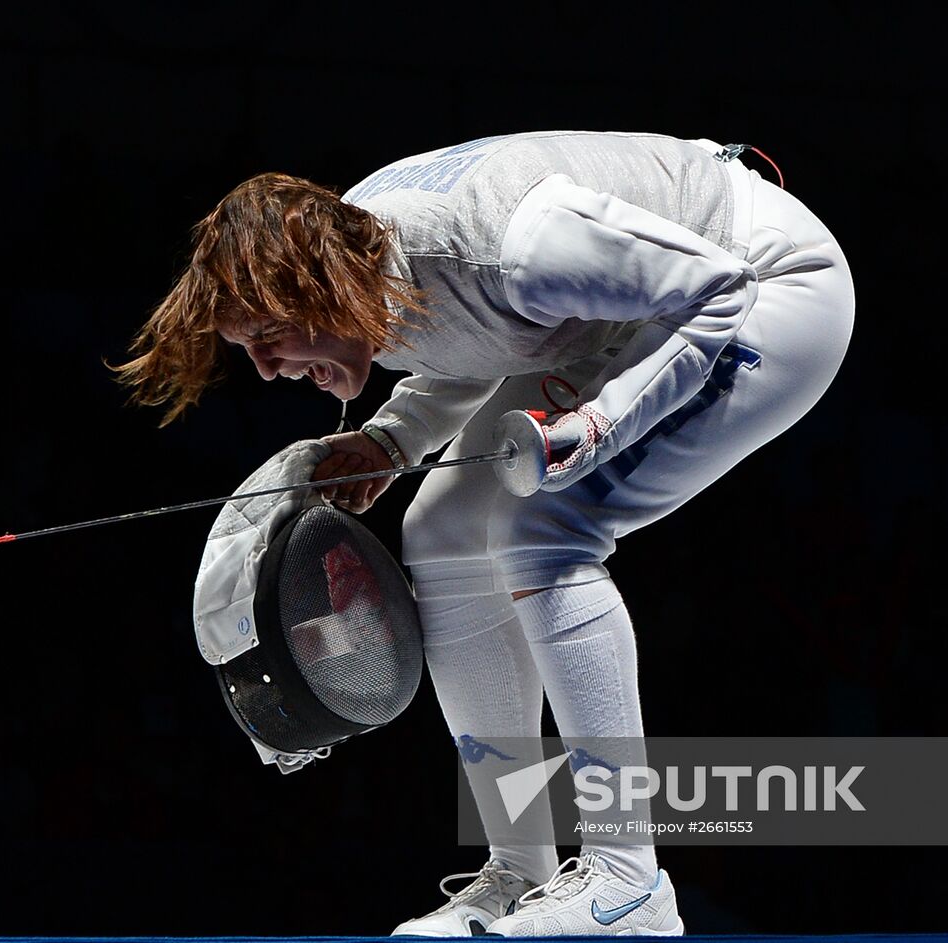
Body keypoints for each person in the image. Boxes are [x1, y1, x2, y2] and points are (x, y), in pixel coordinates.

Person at [114, 131, 856, 936]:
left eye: (268, 338)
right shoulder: (369, 261)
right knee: (440, 530)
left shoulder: (518, 243)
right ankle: (521, 869)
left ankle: (628, 881)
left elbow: (716, 288)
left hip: (769, 284)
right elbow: (484, 330)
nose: (265, 369)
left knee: (548, 524)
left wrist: (601, 423)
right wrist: (393, 439)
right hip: (629, 314)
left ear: (316, 284)